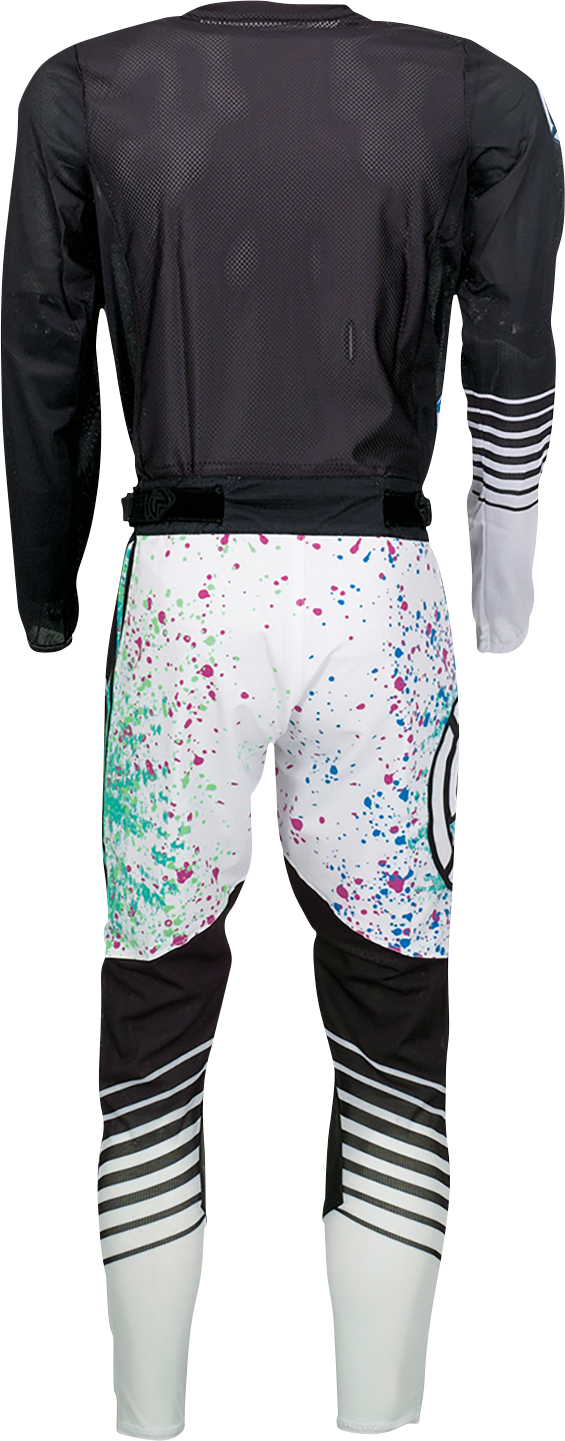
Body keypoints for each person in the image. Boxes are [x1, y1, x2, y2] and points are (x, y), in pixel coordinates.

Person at [1, 3, 563, 1436]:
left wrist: (47, 590)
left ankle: (146, 1422)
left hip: (183, 604)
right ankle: (378, 1423)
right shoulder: (477, 94)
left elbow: (42, 361)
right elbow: (514, 340)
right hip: (379, 603)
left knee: (155, 1001)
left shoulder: (85, 89)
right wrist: (506, 586)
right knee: (392, 1008)